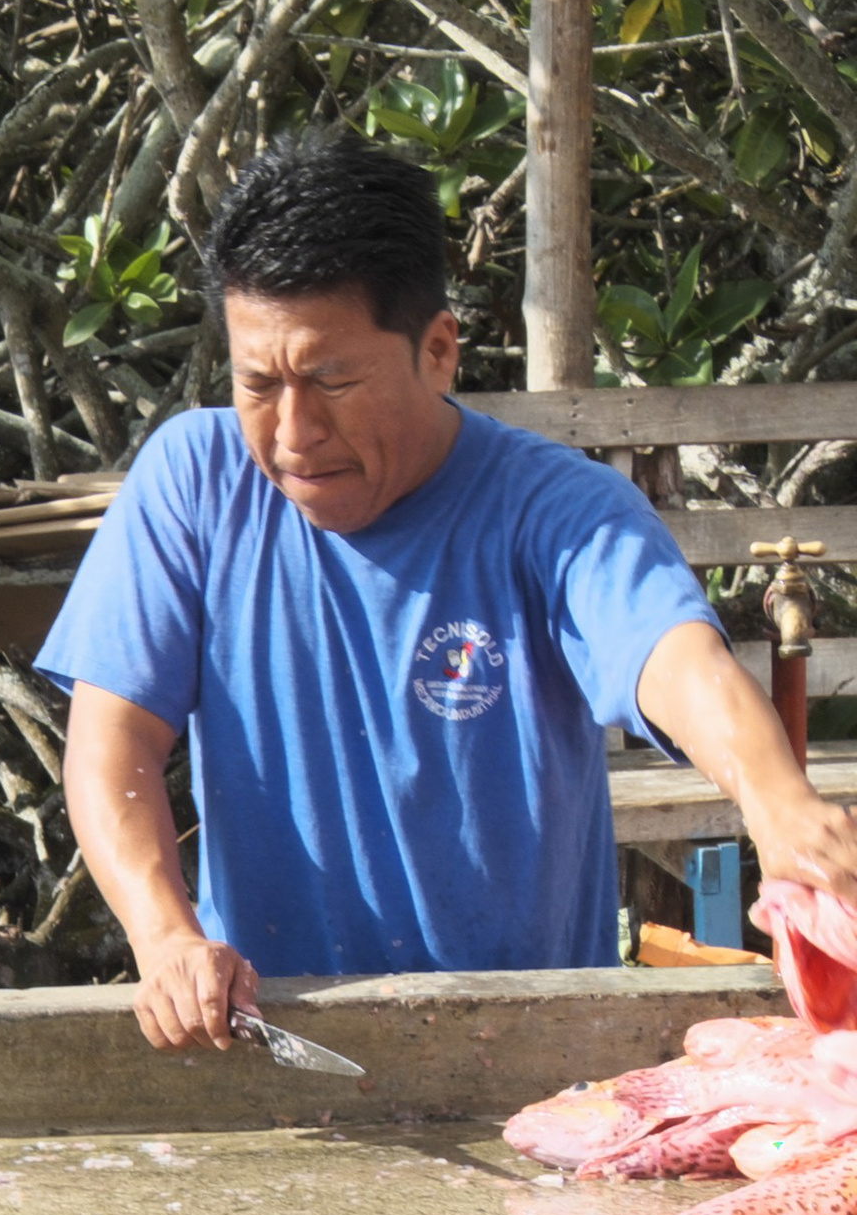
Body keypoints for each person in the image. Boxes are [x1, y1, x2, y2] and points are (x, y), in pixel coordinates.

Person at [43, 131, 857, 1049]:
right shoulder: (191, 481)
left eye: (333, 379)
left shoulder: (557, 508)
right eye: (258, 384)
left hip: (531, 1048)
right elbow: (112, 742)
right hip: (273, 1041)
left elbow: (676, 659)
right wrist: (166, 937)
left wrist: (780, 805)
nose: (293, 432)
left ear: (437, 351)